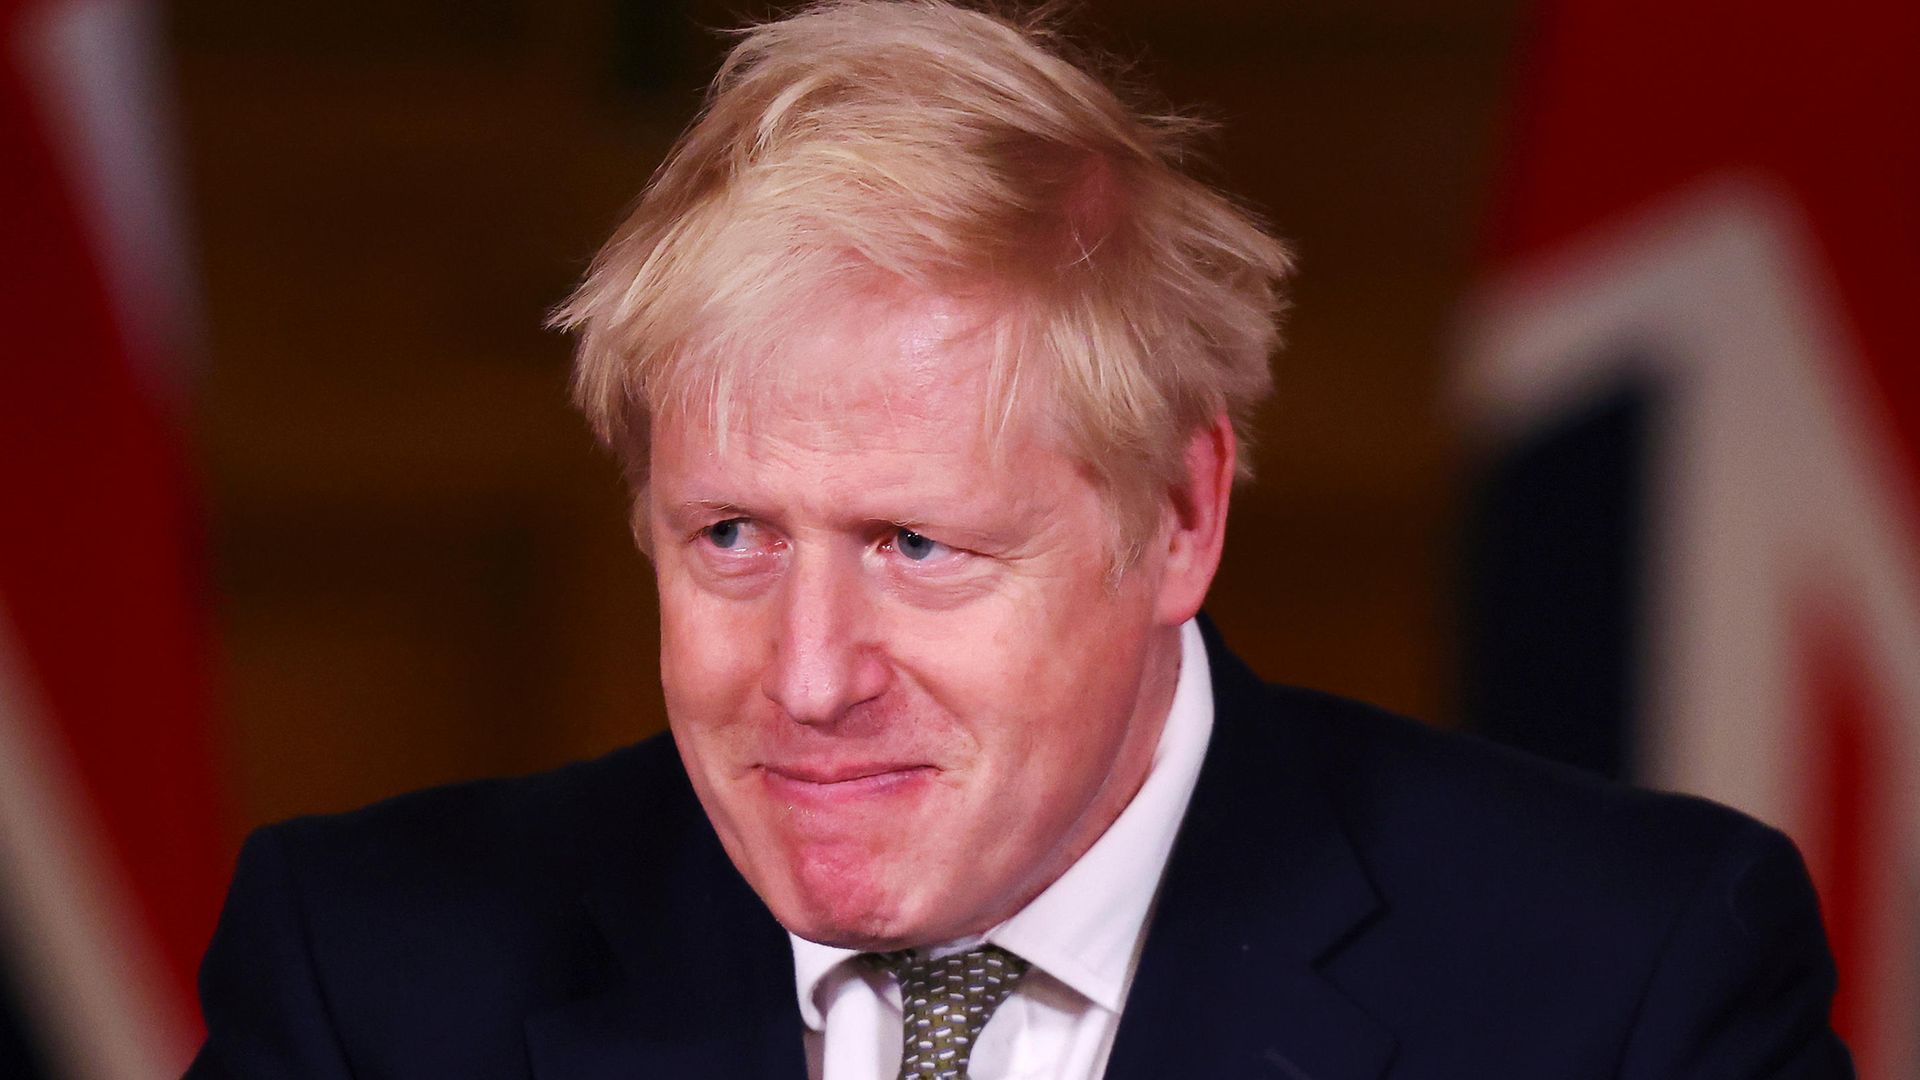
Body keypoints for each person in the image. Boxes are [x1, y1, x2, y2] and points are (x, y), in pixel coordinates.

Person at [186, 2, 1853, 1077]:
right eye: (731, 536)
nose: (812, 676)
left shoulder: (1624, 985)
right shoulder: (366, 979)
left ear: (1182, 518)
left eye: (917, 543)